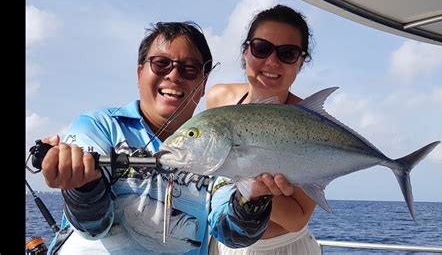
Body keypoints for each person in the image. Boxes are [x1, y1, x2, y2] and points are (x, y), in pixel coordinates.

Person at [39, 21, 284, 255]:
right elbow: (92, 227)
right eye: (161, 64)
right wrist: (84, 187)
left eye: (190, 68)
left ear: (203, 83)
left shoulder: (217, 143)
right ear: (139, 73)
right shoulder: (99, 127)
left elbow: (230, 234)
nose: (174, 75)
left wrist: (252, 199)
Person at [206, 5, 320, 254]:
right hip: (222, 244)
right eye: (261, 48)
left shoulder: (309, 123)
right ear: (246, 51)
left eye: (287, 53)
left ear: (300, 63)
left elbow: (297, 218)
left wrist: (254, 188)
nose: (271, 61)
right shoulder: (219, 99)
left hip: (280, 248)